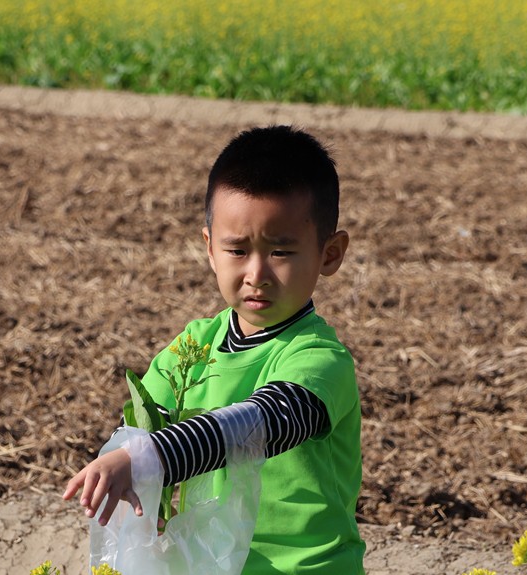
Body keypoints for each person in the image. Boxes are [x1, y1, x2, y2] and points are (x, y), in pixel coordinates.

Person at [64, 125, 365, 573]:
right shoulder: (193, 347)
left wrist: (150, 460)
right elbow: (142, 429)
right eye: (237, 250)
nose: (256, 274)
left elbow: (260, 424)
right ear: (210, 248)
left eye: (281, 252)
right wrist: (134, 479)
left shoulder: (319, 359)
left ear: (330, 254)